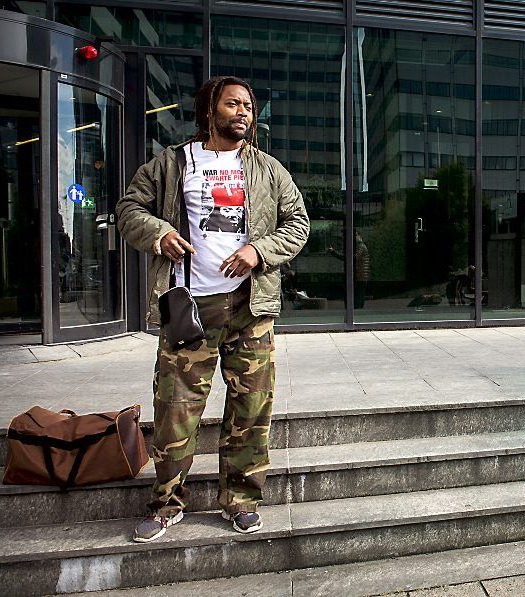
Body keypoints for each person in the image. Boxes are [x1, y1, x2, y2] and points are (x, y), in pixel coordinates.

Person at [116, 75, 309, 542]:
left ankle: (241, 499)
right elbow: (128, 210)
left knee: (251, 407)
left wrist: (259, 251)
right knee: (175, 409)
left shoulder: (268, 169)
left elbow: (298, 223)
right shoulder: (171, 163)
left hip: (250, 308)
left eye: (248, 105)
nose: (243, 112)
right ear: (209, 110)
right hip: (189, 308)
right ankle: (166, 503)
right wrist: (159, 232)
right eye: (233, 104)